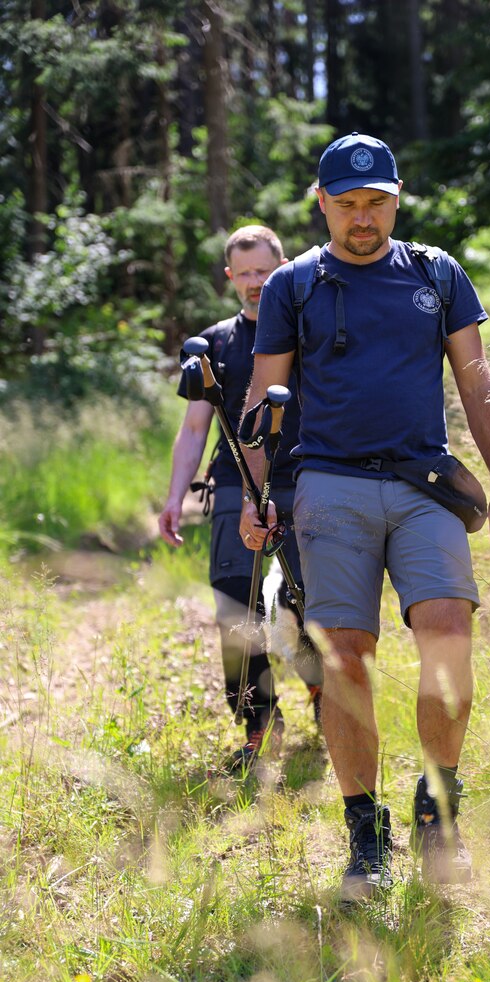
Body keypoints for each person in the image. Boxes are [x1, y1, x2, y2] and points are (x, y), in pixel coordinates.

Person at [239, 134, 490, 899]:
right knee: (344, 658)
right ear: (321, 202)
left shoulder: (435, 273)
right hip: (328, 485)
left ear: (396, 200)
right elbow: (263, 399)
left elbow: (477, 379)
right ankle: (365, 834)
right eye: (347, 204)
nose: (362, 218)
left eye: (376, 203)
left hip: (424, 483)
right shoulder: (293, 284)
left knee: (448, 633)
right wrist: (253, 495)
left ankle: (438, 810)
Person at [159, 224, 322, 773]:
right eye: (244, 273)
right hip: (235, 483)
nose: (255, 283)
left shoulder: (311, 331)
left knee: (307, 598)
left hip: (307, 478)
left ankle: (324, 690)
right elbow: (193, 430)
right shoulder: (214, 344)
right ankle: (260, 722)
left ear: (283, 268)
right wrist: (174, 497)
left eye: (264, 271)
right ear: (230, 276)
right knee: (235, 603)